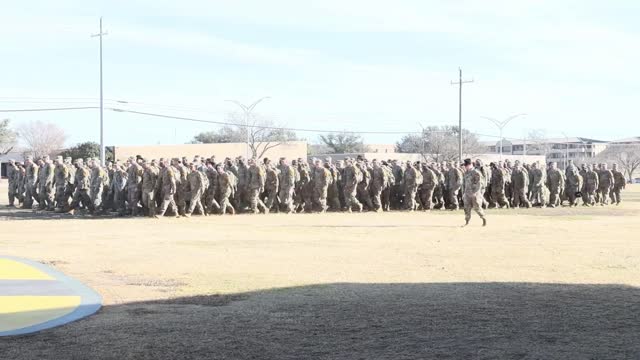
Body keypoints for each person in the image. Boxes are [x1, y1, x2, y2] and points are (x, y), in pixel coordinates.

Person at [462, 158, 487, 227]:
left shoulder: (476, 172)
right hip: (467, 193)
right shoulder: (466, 173)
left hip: (475, 194)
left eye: (466, 165)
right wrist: (464, 193)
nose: (465, 167)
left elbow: (479, 184)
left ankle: (483, 218)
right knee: (466, 208)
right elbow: (464, 184)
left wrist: (474, 193)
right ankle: (467, 221)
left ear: (470, 165)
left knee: (477, 208)